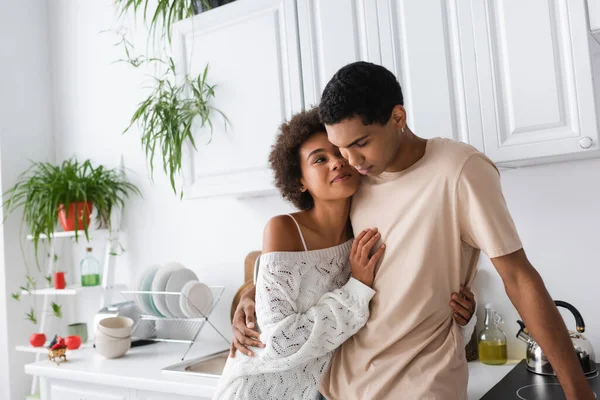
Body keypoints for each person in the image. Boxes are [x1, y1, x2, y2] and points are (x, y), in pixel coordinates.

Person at [232, 62, 595, 400]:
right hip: (341, 389)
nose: (350, 161)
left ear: (398, 118)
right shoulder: (356, 183)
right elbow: (319, 262)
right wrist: (253, 296)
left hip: (421, 389)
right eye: (339, 148)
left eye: (359, 144)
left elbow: (519, 278)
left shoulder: (460, 171)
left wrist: (578, 391)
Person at [215, 108, 477, 400]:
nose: (337, 163)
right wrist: (356, 287)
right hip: (258, 391)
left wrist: (463, 317)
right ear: (299, 180)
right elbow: (279, 342)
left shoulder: (363, 229)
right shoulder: (284, 229)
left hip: (325, 392)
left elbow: (396, 309)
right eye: (320, 159)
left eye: (340, 152)